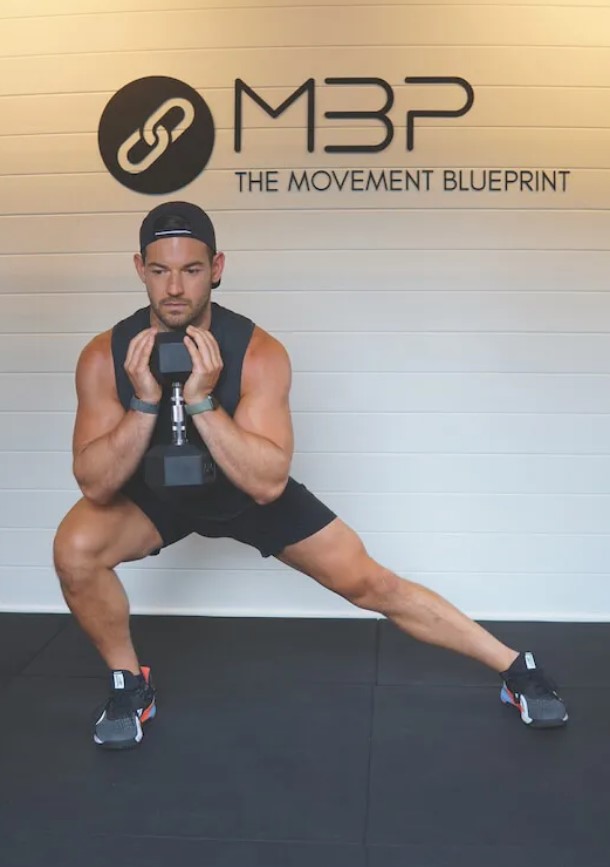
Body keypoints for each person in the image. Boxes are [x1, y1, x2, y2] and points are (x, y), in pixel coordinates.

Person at [53, 201, 568, 750]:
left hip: (244, 489)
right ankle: (130, 682)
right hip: (155, 498)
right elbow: (97, 483)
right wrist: (145, 402)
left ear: (218, 267)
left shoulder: (258, 352)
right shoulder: (104, 355)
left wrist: (202, 401)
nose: (174, 286)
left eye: (192, 269)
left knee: (373, 584)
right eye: (160, 270)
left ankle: (516, 667)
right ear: (140, 269)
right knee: (75, 549)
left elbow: (267, 483)